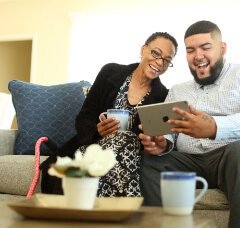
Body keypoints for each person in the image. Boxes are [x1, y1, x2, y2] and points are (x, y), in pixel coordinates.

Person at [139, 21, 240, 228]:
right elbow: (170, 135)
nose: (198, 56)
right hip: (194, 161)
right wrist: (161, 144)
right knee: (150, 160)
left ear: (222, 48)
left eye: (205, 47)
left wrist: (214, 127)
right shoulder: (178, 90)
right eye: (190, 50)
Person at [40, 32, 178, 197]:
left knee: (125, 138)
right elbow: (83, 119)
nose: (159, 62)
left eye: (167, 60)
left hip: (129, 157)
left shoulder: (163, 96)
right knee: (115, 145)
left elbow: (154, 142)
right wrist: (98, 130)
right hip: (93, 149)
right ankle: (126, 209)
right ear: (143, 50)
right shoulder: (110, 73)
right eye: (156, 53)